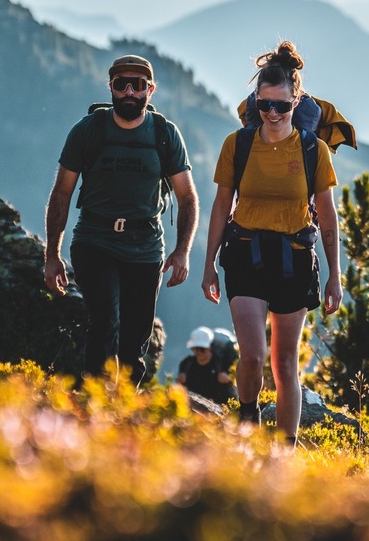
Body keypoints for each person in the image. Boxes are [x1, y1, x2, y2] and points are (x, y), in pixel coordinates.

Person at [201, 41, 342, 447]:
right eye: (265, 106)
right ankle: (247, 418)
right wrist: (209, 263)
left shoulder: (313, 151)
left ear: (296, 101)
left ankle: (285, 451)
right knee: (252, 354)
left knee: (284, 364)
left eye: (281, 105)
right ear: (255, 102)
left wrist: (335, 275)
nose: (273, 114)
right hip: (245, 253)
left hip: (295, 258)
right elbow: (221, 206)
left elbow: (328, 215)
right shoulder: (239, 145)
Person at [44, 54, 199, 386]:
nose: (129, 91)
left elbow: (187, 197)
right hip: (94, 240)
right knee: (105, 321)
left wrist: (182, 250)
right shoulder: (87, 132)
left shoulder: (164, 135)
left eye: (138, 85)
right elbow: (61, 194)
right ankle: (95, 405)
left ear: (150, 90)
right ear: (111, 88)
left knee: (135, 339)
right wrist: (52, 256)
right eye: (121, 84)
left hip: (145, 247)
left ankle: (127, 410)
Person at [176, 326, 236, 404]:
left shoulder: (223, 362)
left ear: (209, 347)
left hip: (221, 408)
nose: (198, 352)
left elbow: (235, 383)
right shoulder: (186, 364)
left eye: (201, 349)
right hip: (194, 408)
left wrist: (229, 379)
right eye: (195, 348)